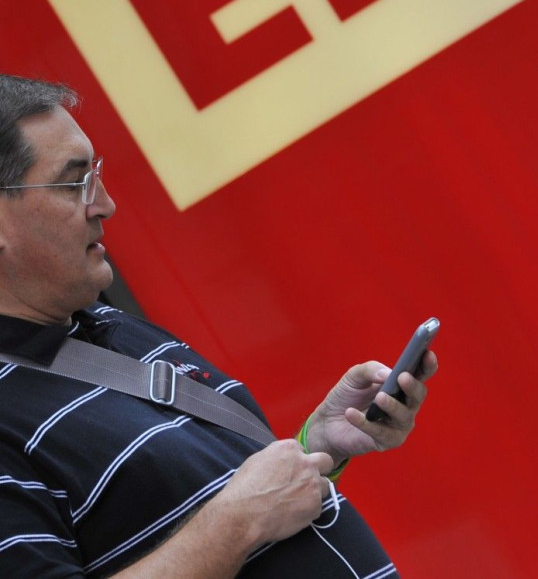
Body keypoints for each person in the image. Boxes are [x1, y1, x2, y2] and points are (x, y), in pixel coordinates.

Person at [0, 74, 437, 577]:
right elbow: (240, 513)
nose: (104, 204)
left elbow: (224, 498)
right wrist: (238, 522)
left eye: (95, 174)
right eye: (73, 182)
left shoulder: (107, 325)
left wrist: (318, 446)